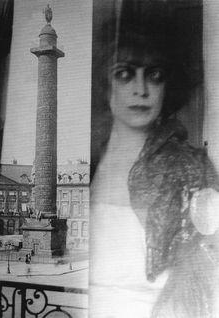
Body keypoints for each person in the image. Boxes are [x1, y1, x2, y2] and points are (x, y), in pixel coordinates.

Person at [89, 8, 219, 318]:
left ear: (167, 86)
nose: (141, 89)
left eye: (154, 74)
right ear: (106, 85)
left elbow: (206, 269)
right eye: (125, 73)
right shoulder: (91, 164)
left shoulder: (190, 167)